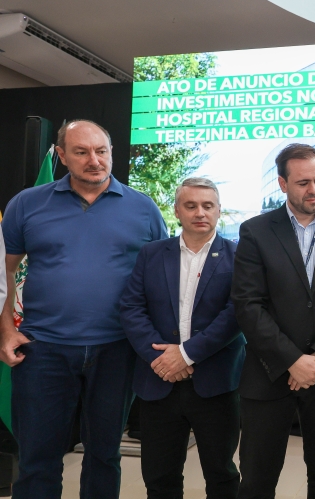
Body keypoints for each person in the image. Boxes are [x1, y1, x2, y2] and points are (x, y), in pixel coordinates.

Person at [0, 120, 168, 498]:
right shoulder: (27, 203)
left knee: (104, 455)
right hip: (42, 349)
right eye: (81, 152)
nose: (94, 160)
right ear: (61, 156)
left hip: (117, 349)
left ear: (111, 152)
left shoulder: (143, 208)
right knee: (38, 459)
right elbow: (3, 271)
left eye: (101, 151)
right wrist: (6, 329)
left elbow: (161, 278)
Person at [232, 143, 315, 499]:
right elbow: (248, 305)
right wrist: (292, 360)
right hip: (268, 374)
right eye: (304, 182)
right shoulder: (256, 232)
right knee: (257, 480)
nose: (314, 190)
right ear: (282, 184)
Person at [119, 177, 244, 498]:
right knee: (159, 478)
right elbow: (131, 307)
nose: (199, 212)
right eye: (190, 206)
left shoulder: (239, 256)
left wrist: (186, 355)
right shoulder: (151, 254)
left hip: (215, 383)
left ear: (219, 211)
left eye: (207, 206)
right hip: (159, 380)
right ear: (177, 211)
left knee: (221, 475)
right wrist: (160, 358)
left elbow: (236, 314)